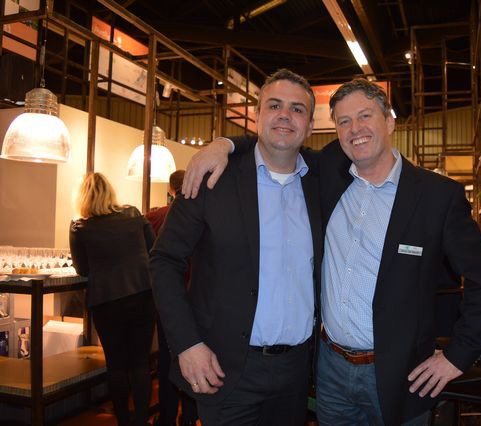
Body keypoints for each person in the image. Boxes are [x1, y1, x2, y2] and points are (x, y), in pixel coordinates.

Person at [183, 78, 481, 425]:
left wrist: (457, 356)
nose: (355, 129)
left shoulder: (437, 196)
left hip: (400, 376)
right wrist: (224, 144)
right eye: (344, 121)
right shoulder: (329, 173)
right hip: (330, 371)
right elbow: (278, 141)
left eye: (365, 116)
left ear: (389, 122)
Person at [149, 69, 323, 425]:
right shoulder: (212, 178)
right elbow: (164, 261)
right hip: (225, 370)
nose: (285, 116)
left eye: (297, 109)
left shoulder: (320, 181)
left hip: (296, 374)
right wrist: (187, 343)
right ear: (256, 115)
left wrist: (227, 142)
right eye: (274, 105)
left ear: (309, 126)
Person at [69, 172, 156, 426]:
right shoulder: (133, 214)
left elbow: (82, 269)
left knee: (116, 365)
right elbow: (154, 249)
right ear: (110, 192)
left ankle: (123, 421)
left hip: (107, 301)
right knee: (140, 363)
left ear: (83, 198)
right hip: (142, 295)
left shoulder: (80, 227)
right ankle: (141, 420)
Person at [145, 170, 198, 426]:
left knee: (167, 360)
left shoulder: (154, 217)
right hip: (194, 296)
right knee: (193, 356)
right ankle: (188, 416)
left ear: (170, 188)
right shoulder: (198, 214)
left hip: (167, 299)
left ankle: (166, 417)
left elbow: (153, 259)